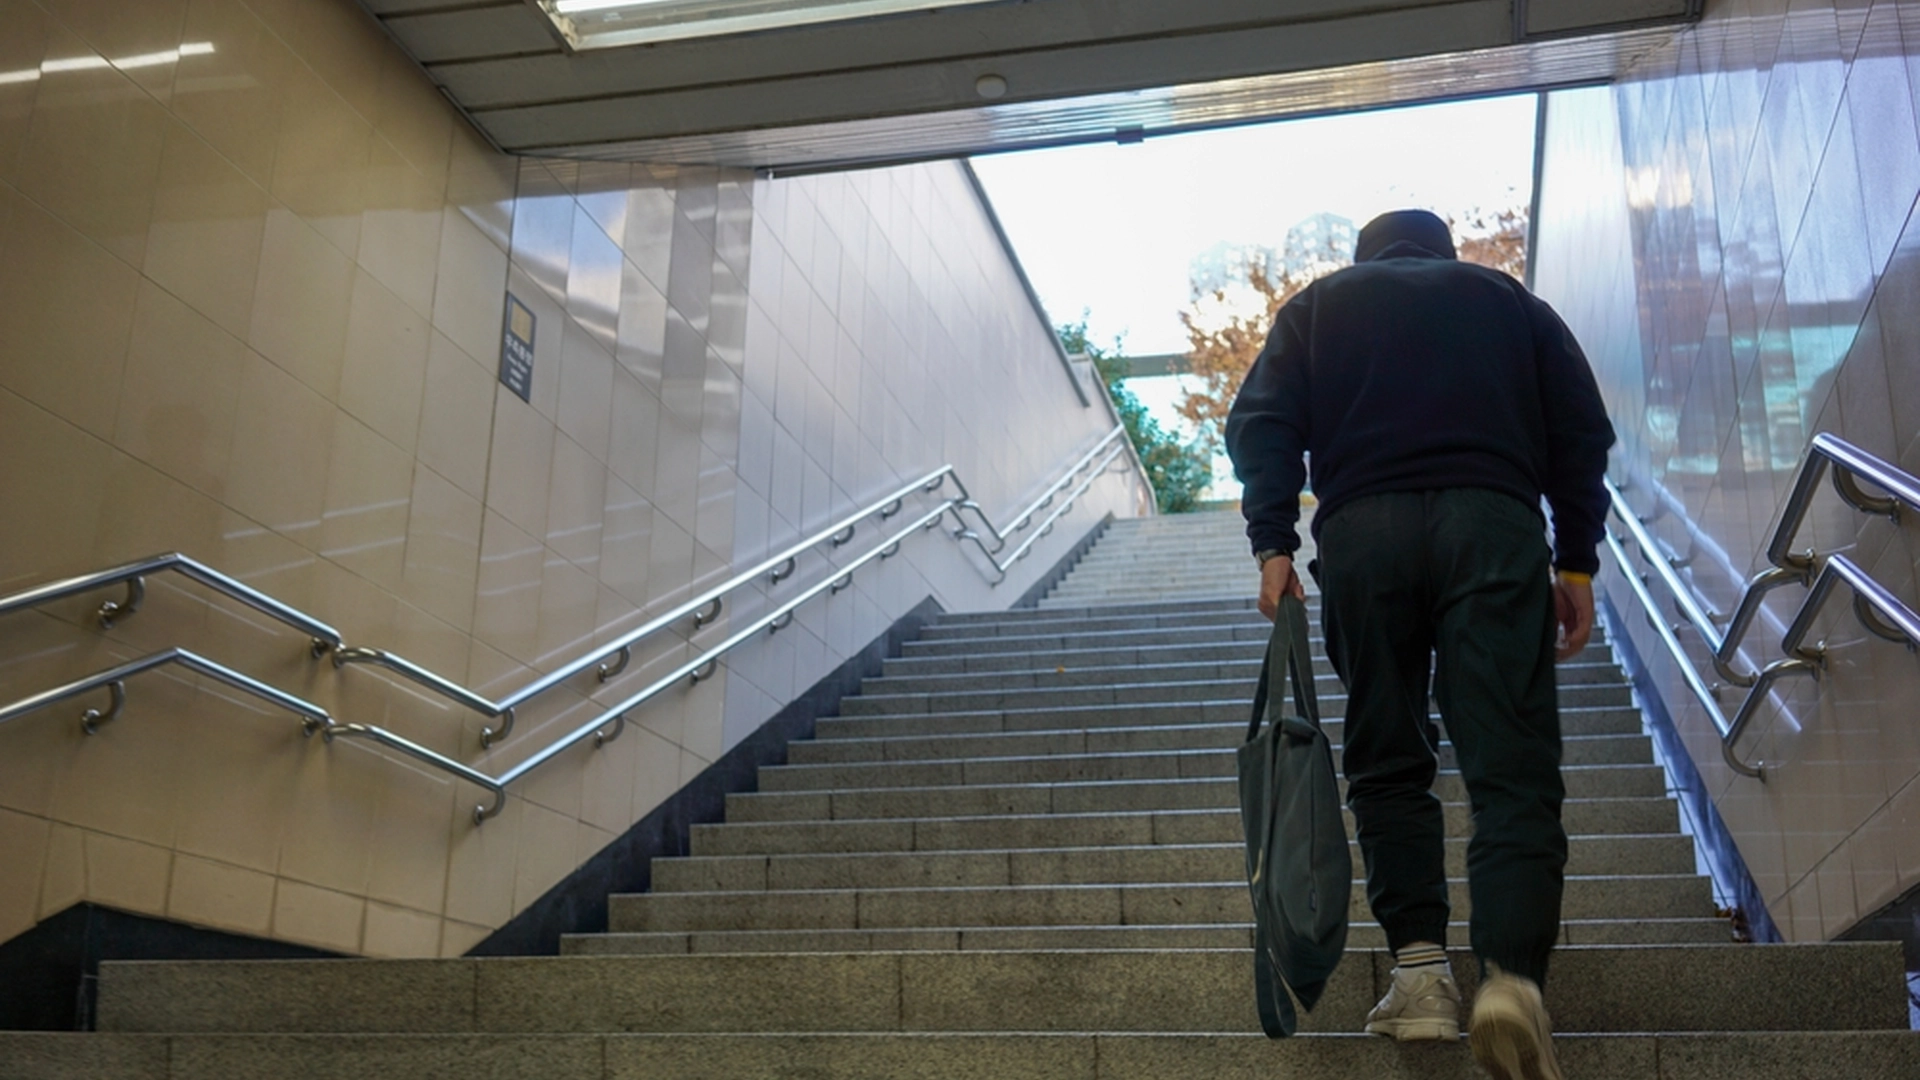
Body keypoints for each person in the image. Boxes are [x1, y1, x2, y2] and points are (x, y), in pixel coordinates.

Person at [1224, 209, 1614, 1080]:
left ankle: (1422, 975)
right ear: (1444, 252)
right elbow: (1580, 433)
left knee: (1388, 751)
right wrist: (1577, 563)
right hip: (1493, 524)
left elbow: (1263, 423)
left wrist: (1274, 542)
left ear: (1366, 256)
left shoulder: (1318, 306)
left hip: (1364, 535)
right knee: (1509, 759)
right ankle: (1511, 979)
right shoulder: (1509, 302)